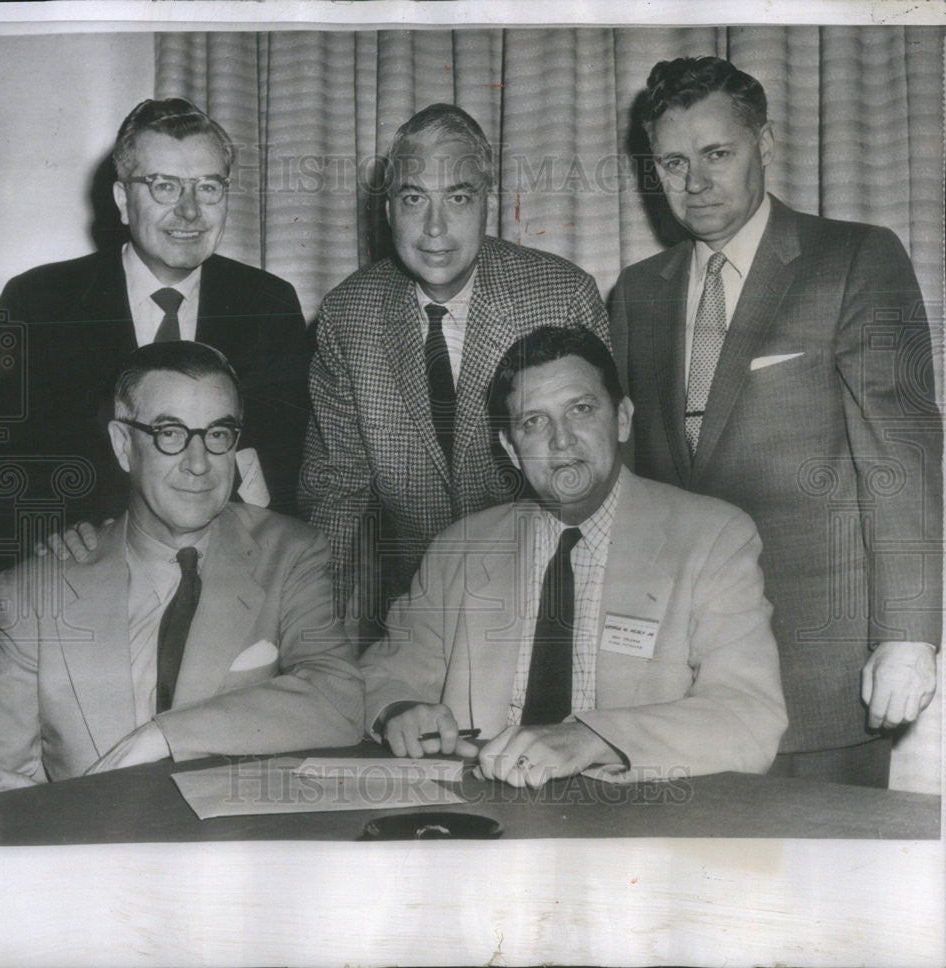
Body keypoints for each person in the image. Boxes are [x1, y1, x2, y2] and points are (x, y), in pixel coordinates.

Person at [609, 56, 942, 787]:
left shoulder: (854, 259)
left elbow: (903, 459)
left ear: (765, 143)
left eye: (716, 154)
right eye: (671, 162)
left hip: (822, 681)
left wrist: (909, 637)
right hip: (681, 687)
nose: (693, 183)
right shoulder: (636, 295)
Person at [360, 327, 787, 787]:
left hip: (633, 824)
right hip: (484, 815)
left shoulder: (712, 537)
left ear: (622, 419)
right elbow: (382, 674)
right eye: (533, 422)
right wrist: (399, 710)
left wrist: (592, 739)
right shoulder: (460, 547)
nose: (561, 441)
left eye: (580, 410)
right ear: (510, 448)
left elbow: (749, 716)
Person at [0, 342, 362, 796]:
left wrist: (164, 735)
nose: (199, 464)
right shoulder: (35, 592)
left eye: (218, 434)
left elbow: (340, 700)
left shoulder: (291, 553)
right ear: (123, 445)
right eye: (171, 433)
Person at [299, 103, 611, 636]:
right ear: (389, 210)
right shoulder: (348, 316)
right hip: (416, 613)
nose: (435, 228)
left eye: (458, 198)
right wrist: (313, 637)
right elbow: (337, 499)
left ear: (488, 204)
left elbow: (604, 479)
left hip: (555, 602)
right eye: (414, 198)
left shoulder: (562, 297)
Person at [0, 98, 312, 545]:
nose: (190, 211)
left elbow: (289, 462)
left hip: (223, 564)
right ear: (122, 199)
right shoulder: (37, 302)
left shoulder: (269, 304)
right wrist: (53, 530)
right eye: (164, 187)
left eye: (208, 187)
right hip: (79, 566)